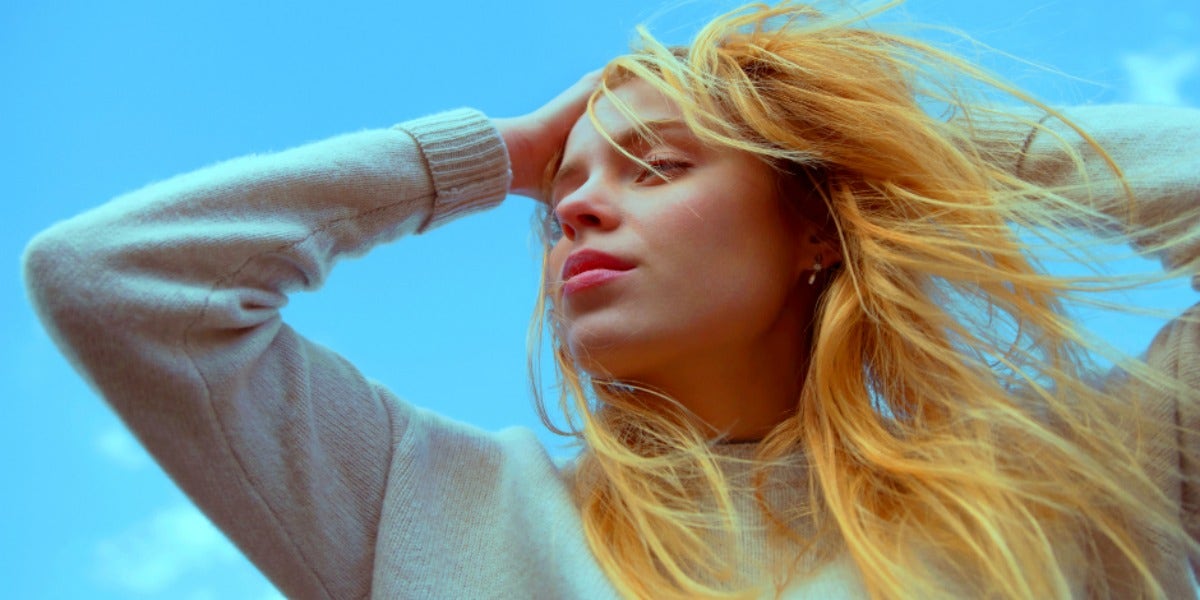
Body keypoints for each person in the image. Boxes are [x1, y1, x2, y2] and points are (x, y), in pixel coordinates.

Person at [21, 1, 1200, 598]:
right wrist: (493, 155)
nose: (576, 209)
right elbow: (114, 279)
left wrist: (885, 156)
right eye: (558, 196)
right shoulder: (427, 509)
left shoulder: (1078, 482)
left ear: (812, 229)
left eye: (657, 167)